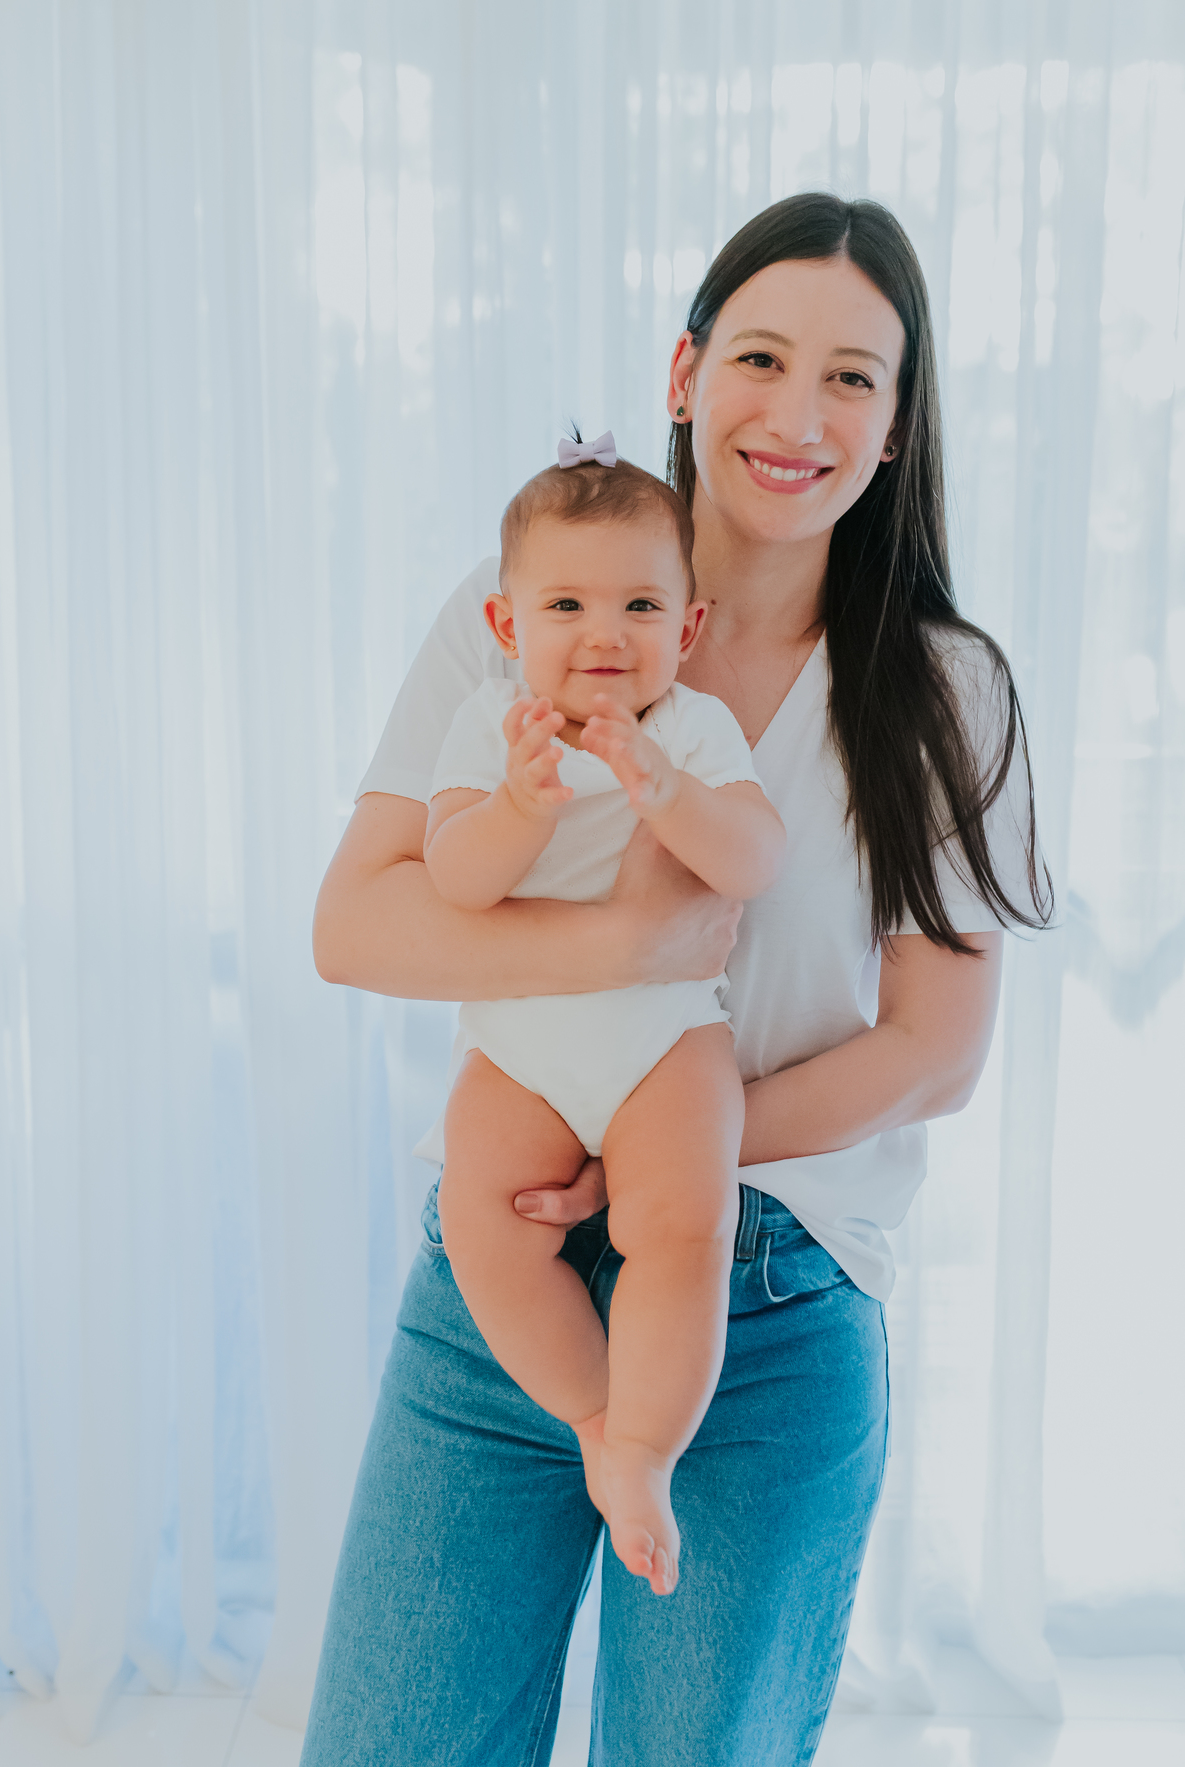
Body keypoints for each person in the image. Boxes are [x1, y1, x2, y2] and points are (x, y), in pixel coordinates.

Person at [301, 192, 1052, 1767]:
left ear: (901, 426)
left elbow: (936, 1050)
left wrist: (661, 1153)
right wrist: (624, 964)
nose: (799, 412)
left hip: (769, 1298)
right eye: (763, 356)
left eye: (856, 376)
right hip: (496, 1269)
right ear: (686, 369)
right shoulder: (518, 612)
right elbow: (358, 924)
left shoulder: (945, 686)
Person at [425, 447, 786, 1598]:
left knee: (685, 1224)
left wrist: (665, 790)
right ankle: (593, 1413)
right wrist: (519, 810)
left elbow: (755, 858)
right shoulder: (494, 726)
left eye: (639, 606)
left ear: (685, 629)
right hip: (522, 1043)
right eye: (567, 605)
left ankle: (650, 1442)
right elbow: (454, 877)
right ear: (506, 620)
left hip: (663, 1035)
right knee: (480, 1215)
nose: (604, 635)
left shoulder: (693, 729)